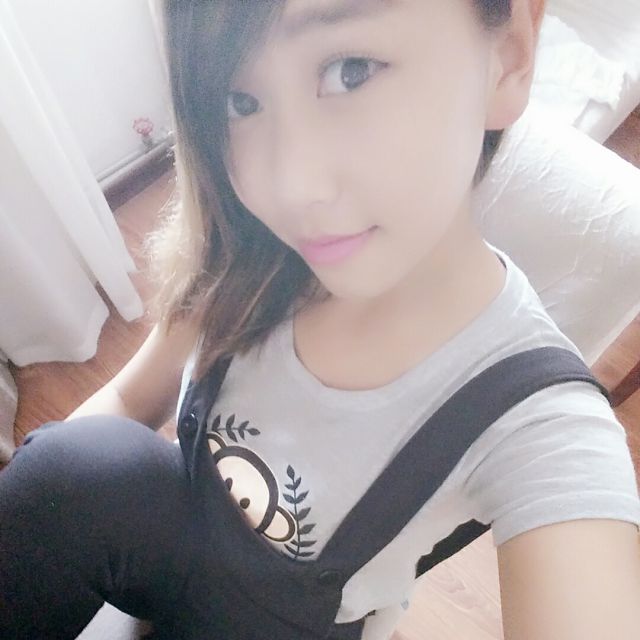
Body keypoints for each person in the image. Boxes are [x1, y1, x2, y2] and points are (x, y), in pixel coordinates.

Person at [2, 0, 640, 638]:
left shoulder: (539, 422)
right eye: (240, 102)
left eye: (350, 70)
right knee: (81, 465)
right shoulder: (246, 253)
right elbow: (127, 400)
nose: (288, 184)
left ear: (509, 55)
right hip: (172, 546)